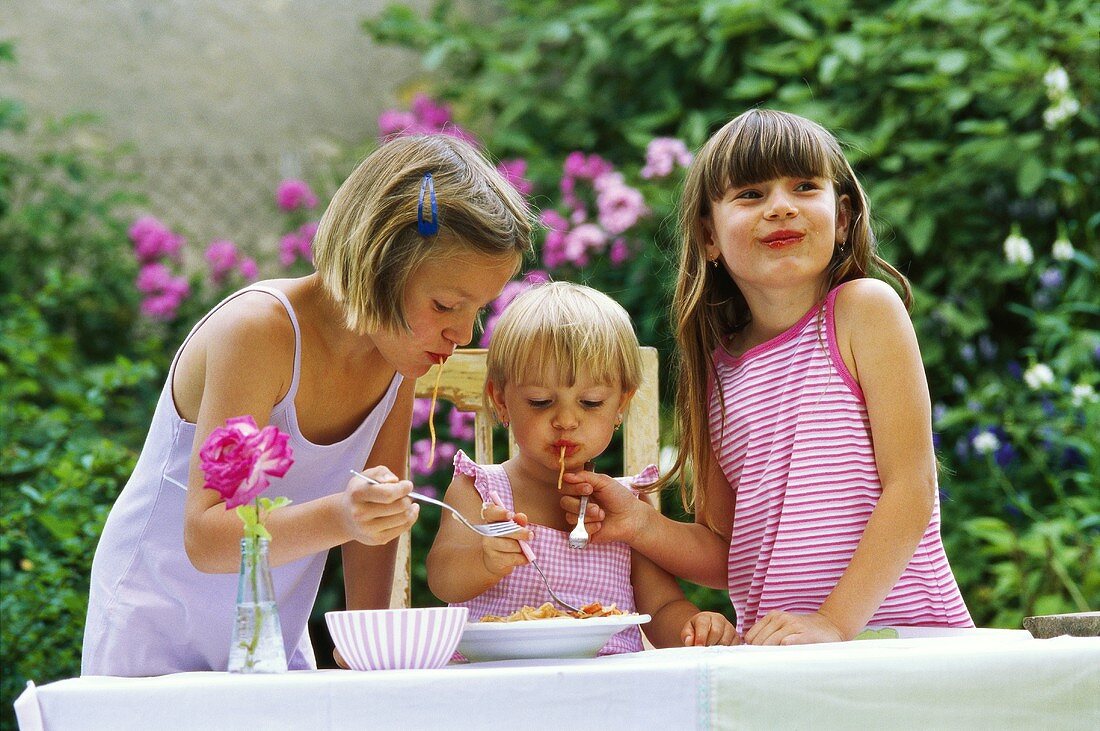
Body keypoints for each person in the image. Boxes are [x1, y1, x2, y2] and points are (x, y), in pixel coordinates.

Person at [82, 134, 533, 676]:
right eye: (445, 304)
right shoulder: (261, 335)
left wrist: (367, 648)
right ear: (378, 262)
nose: (462, 332)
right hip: (154, 631)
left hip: (266, 637)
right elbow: (209, 537)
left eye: (477, 310)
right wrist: (343, 515)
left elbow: (376, 521)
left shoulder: (395, 356)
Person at [560, 109, 973, 645]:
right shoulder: (718, 368)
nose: (781, 207)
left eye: (804, 186)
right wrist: (641, 526)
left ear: (842, 217)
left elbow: (912, 489)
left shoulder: (863, 311)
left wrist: (834, 623)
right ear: (709, 236)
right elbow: (733, 553)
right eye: (751, 194)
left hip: (901, 639)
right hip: (784, 655)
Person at [426, 282, 737, 652]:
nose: (566, 420)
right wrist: (485, 559)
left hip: (608, 692)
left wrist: (694, 628)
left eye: (590, 402)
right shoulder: (479, 491)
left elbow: (662, 606)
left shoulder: (625, 508)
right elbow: (442, 579)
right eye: (541, 402)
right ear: (501, 400)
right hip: (500, 685)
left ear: (621, 405)